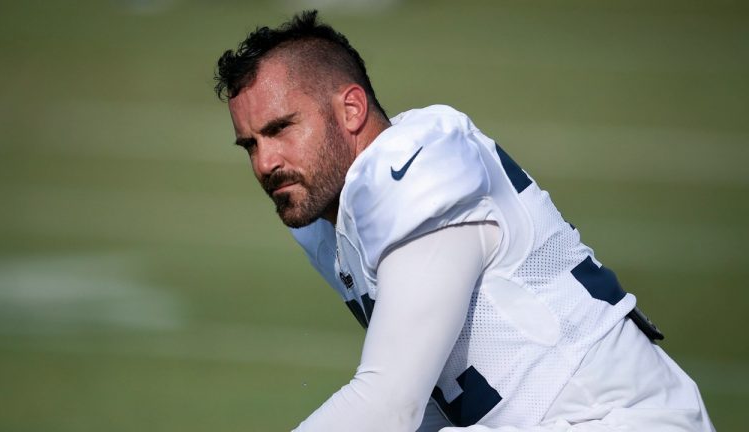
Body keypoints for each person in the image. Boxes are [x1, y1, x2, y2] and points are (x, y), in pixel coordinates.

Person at [214, 10, 715, 432]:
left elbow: (388, 404)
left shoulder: (415, 169)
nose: (265, 162)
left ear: (350, 109)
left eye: (281, 129)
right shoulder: (328, 218)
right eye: (251, 145)